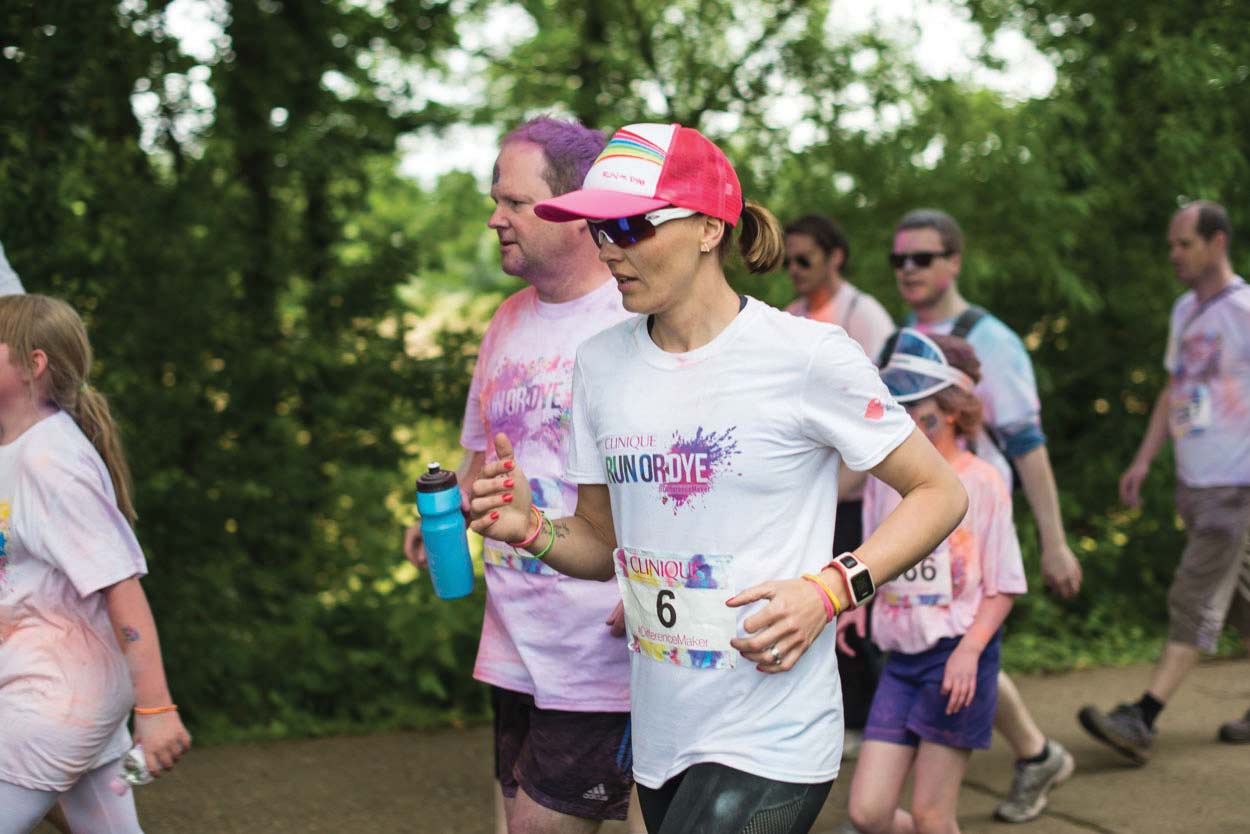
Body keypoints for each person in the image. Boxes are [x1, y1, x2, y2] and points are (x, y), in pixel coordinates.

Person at [469, 121, 969, 834]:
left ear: (708, 228)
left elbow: (940, 492)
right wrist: (529, 529)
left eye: (633, 225)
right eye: (601, 229)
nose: (611, 247)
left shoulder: (804, 356)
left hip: (773, 732)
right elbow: (596, 545)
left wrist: (831, 589)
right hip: (664, 734)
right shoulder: (601, 364)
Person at [403, 117, 644, 833]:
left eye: (512, 202)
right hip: (512, 637)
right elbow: (480, 450)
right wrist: (438, 517)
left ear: (574, 212)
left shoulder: (633, 321)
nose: (494, 217)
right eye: (495, 199)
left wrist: (651, 579)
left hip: (596, 641)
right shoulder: (505, 321)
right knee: (511, 822)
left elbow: (675, 474)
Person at [877, 209, 1080, 823]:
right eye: (899, 259)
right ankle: (1036, 753)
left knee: (968, 645)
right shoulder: (896, 342)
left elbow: (1027, 444)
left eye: (923, 257)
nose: (908, 269)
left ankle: (1033, 753)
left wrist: (1054, 541)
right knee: (953, 645)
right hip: (913, 518)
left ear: (954, 261)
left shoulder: (992, 339)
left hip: (972, 517)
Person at [0, 294, 191, 834]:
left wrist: (156, 710)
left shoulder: (51, 461)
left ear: (33, 365)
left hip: (56, 699)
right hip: (68, 689)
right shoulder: (19, 448)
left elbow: (120, 585)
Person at [1078, 200, 1250, 761]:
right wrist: (1144, 459)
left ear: (1217, 242)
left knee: (1193, 594)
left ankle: (1143, 716)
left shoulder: (1243, 310)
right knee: (1243, 600)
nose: (1173, 253)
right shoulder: (1184, 312)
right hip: (1195, 483)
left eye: (1184, 244)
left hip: (1236, 482)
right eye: (1172, 244)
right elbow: (1173, 391)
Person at [843, 331, 1027, 834]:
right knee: (868, 813)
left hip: (957, 657)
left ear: (950, 409)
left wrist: (970, 652)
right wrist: (857, 601)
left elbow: (1005, 585)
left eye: (913, 403)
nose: (900, 413)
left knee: (931, 814)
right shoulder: (886, 481)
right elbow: (875, 559)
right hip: (901, 660)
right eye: (894, 401)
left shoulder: (984, 482)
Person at [783, 214, 896, 758]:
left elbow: (884, 415)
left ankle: (875, 723)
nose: (794, 270)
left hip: (854, 493)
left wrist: (838, 487)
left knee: (854, 606)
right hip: (812, 494)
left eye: (804, 259)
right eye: (788, 260)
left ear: (836, 256)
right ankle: (842, 718)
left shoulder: (864, 315)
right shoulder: (790, 317)